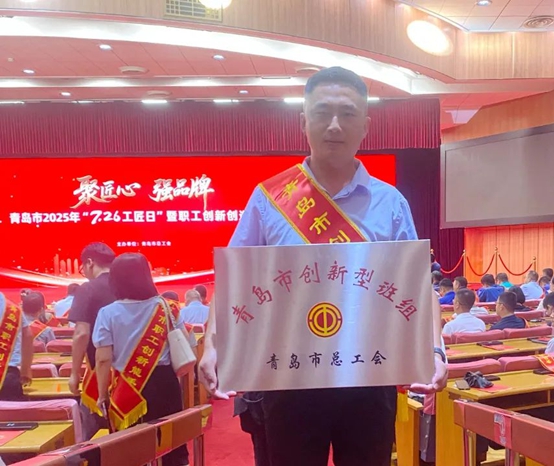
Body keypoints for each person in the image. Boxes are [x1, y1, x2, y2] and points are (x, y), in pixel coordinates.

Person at [198, 67, 447, 466]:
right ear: (303, 122)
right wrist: (213, 345)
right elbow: (233, 282)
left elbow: (418, 288)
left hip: (369, 376)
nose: (334, 125)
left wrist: (434, 350)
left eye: (347, 114)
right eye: (322, 113)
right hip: (289, 375)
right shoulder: (269, 199)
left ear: (365, 126)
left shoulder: (391, 203)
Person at [93, 253, 189, 466]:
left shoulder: (107, 313)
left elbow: (103, 360)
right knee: (172, 441)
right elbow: (186, 341)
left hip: (126, 385)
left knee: (130, 447)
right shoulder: (167, 307)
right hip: (165, 382)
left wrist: (102, 394)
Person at [68, 242, 116, 439]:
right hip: (132, 373)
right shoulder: (128, 287)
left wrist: (74, 373)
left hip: (100, 371)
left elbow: (81, 333)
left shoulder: (87, 289)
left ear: (89, 263)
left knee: (92, 434)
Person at [0, 293, 32, 401]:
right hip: (7, 373)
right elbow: (28, 335)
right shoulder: (11, 308)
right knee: (11, 410)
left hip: (7, 373)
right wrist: (26, 370)